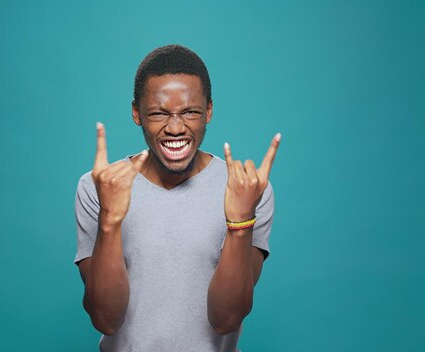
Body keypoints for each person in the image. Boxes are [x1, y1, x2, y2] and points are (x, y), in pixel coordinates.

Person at [74, 44, 281, 351]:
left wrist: (240, 222)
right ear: (136, 113)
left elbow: (227, 319)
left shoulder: (246, 189)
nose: (174, 128)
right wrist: (110, 220)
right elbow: (105, 318)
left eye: (190, 112)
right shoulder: (98, 187)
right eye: (158, 113)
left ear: (208, 111)